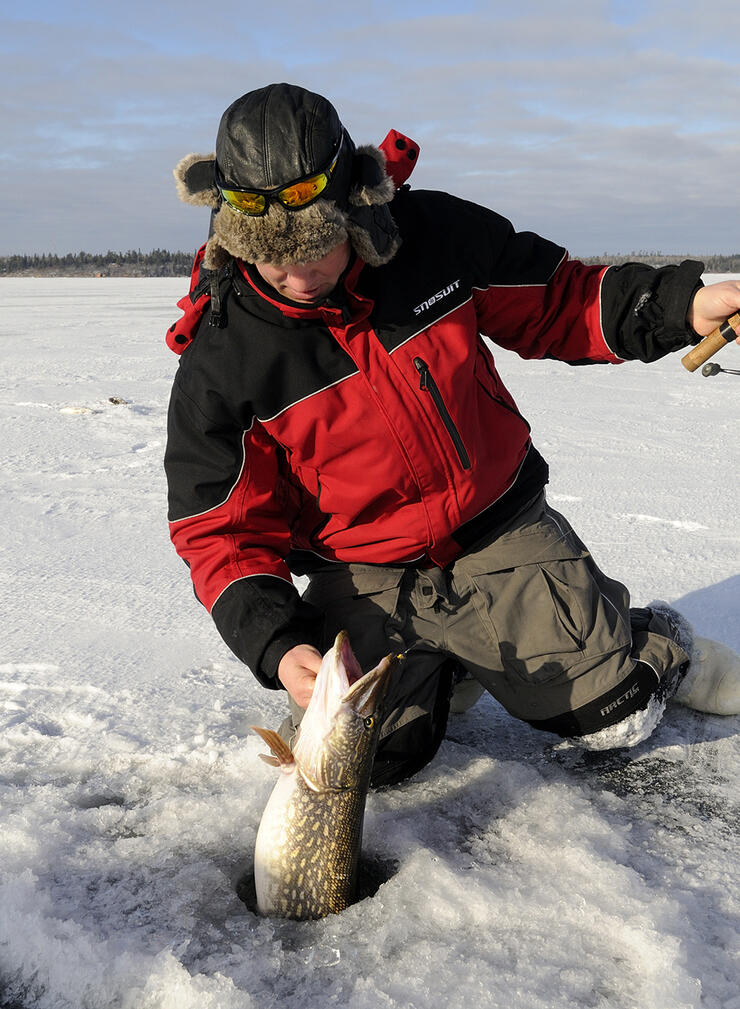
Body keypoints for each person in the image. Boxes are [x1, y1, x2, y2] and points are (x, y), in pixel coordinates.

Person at [165, 83, 740, 787]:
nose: (295, 274)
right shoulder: (224, 354)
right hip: (366, 570)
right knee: (357, 760)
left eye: (316, 247)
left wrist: (684, 306)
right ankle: (448, 666)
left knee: (615, 715)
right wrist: (279, 646)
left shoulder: (430, 239)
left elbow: (559, 301)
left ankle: (660, 643)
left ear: (354, 208)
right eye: (271, 258)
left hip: (497, 530)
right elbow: (216, 528)